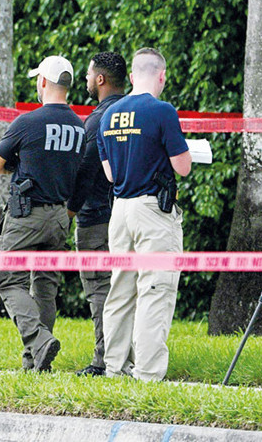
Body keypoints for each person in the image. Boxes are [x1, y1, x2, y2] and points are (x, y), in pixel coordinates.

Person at [97, 47, 192, 381]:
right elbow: (183, 167)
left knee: (120, 292)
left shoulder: (108, 114)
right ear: (161, 76)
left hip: (120, 211)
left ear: (133, 77)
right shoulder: (162, 111)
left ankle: (114, 367)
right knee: (155, 289)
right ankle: (149, 374)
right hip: (152, 210)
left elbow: (110, 174)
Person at [0, 55, 85, 372]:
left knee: (5, 278)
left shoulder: (27, 122)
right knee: (45, 285)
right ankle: (35, 363)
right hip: (59, 216)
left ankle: (39, 341)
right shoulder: (80, 127)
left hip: (26, 215)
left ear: (43, 82)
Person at [66, 52, 127, 376]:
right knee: (128, 290)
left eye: (89, 75)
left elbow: (86, 173)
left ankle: (103, 361)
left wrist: (70, 211)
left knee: (99, 290)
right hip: (130, 215)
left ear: (100, 79)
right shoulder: (135, 114)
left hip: (96, 218)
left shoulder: (96, 121)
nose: (87, 81)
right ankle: (129, 358)